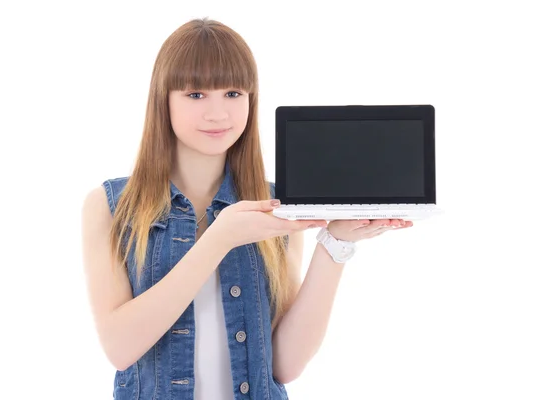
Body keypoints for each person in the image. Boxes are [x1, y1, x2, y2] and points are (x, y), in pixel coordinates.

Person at [80, 17, 413, 400]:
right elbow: (120, 349)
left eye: (234, 93)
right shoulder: (111, 206)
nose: (218, 113)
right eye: (196, 95)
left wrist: (334, 245)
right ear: (163, 99)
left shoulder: (275, 207)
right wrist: (217, 240)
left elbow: (284, 365)